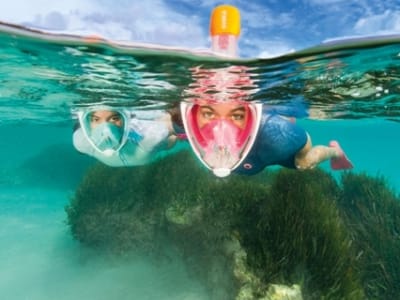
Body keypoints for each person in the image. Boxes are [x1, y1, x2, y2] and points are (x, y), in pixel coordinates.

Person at [181, 99, 353, 177]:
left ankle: (335, 151)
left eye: (238, 116)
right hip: (263, 152)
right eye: (208, 114)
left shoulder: (278, 135)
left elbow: (304, 139)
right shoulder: (192, 129)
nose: (221, 132)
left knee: (305, 164)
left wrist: (302, 156)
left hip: (273, 148)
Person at [72, 105, 180, 167]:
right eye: (96, 119)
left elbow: (172, 123)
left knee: (170, 139)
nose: (106, 130)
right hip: (141, 150)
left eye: (114, 118)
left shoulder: (150, 137)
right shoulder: (81, 141)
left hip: (144, 147)